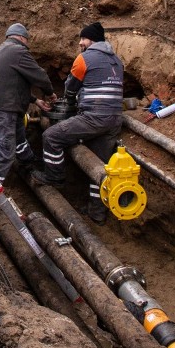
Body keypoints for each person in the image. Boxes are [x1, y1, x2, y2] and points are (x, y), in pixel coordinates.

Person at [38, 21, 124, 223]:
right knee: (100, 168)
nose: (80, 43)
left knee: (50, 137)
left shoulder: (84, 59)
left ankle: (54, 177)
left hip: (94, 117)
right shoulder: (117, 61)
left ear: (91, 40)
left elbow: (70, 88)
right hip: (114, 119)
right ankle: (97, 213)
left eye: (82, 38)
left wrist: (68, 101)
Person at [0, 23, 56, 205]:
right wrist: (50, 93)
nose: (27, 44)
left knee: (19, 137)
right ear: (22, 38)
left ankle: (27, 161)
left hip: (4, 104)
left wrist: (35, 100)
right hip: (5, 108)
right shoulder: (18, 52)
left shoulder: (2, 51)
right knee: (5, 151)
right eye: (27, 40)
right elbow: (39, 76)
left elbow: (11, 83)